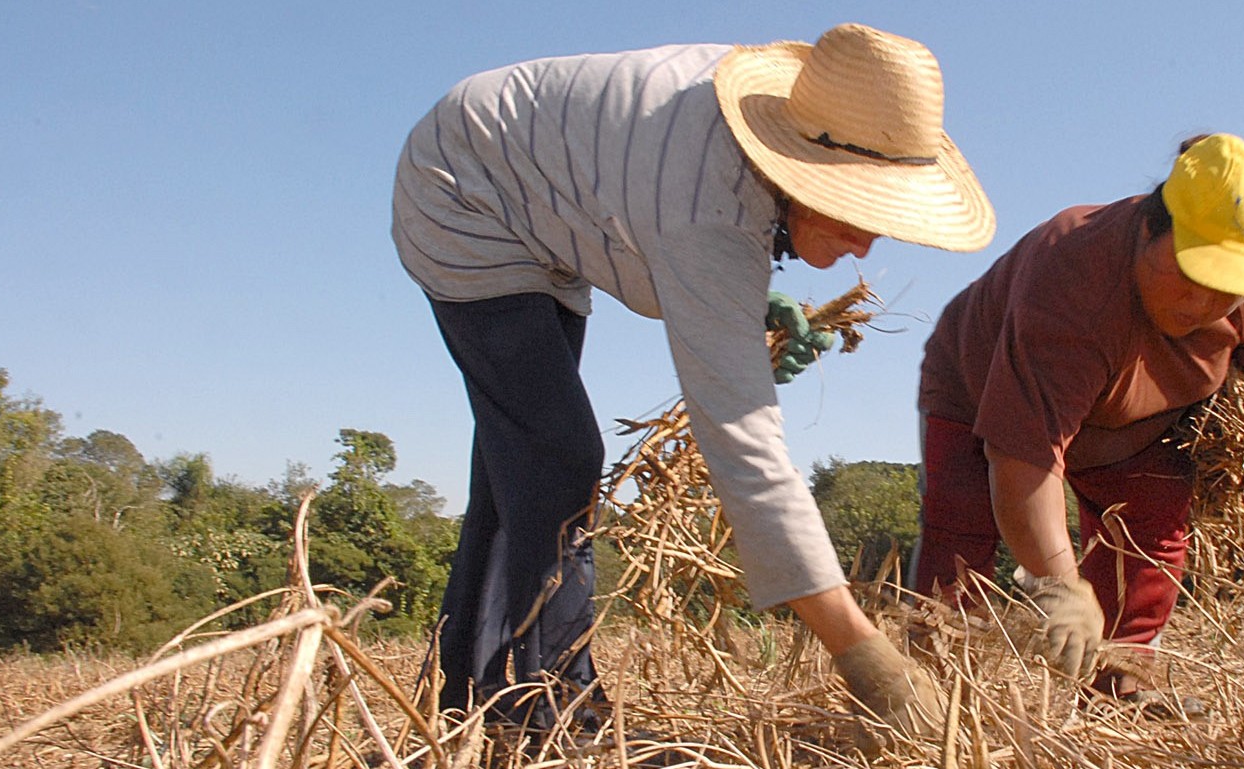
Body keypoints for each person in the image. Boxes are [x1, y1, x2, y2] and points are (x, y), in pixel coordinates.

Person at [391, 23, 995, 736]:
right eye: (860, 209)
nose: (868, 241)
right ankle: (560, 714)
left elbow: (677, 230)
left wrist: (747, 300)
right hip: (465, 191)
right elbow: (744, 444)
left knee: (517, 470)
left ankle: (472, 705)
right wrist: (864, 654)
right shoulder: (705, 201)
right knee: (556, 458)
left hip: (537, 196)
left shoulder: (769, 138)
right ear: (801, 166)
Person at [909, 134, 1244, 704]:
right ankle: (927, 684)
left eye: (1227, 290)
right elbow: (1025, 457)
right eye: (1191, 274)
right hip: (977, 391)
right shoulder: (1074, 277)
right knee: (960, 531)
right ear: (1149, 228)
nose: (1202, 305)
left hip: (1136, 422)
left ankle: (1123, 681)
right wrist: (1058, 584)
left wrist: (1227, 443)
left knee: (1150, 534)